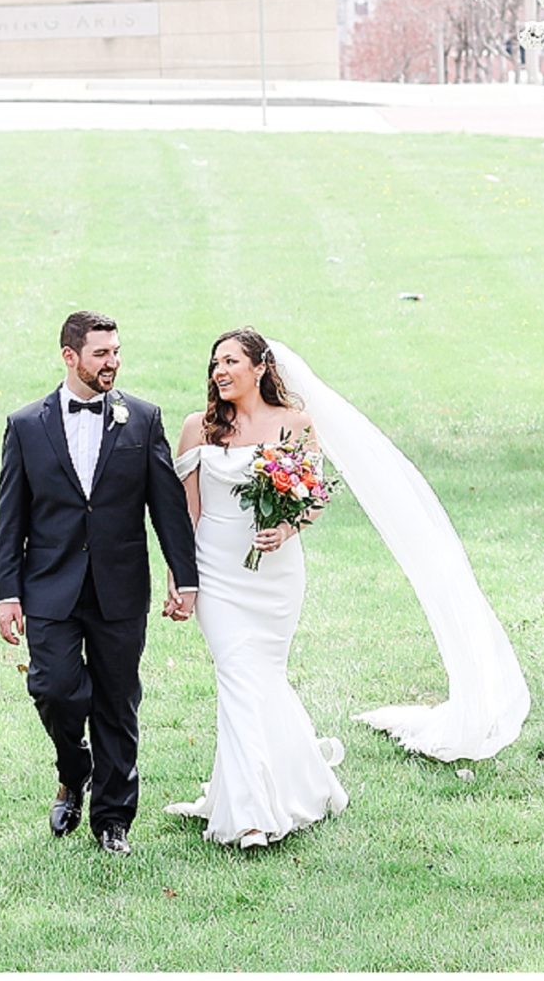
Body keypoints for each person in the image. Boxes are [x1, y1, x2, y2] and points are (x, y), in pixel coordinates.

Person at [0, 311, 199, 853]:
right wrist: (7, 592)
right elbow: (10, 517)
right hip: (49, 587)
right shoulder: (25, 426)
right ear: (70, 356)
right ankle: (72, 769)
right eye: (101, 354)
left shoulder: (143, 419)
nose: (112, 363)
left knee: (116, 702)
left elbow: (168, 508)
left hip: (120, 587)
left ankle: (113, 820)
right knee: (55, 688)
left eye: (116, 353)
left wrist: (186, 575)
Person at [166, 328, 351, 847]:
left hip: (275, 576)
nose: (219, 371)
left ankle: (296, 784)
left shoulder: (295, 425)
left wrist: (288, 526)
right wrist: (180, 578)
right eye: (214, 363)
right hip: (217, 572)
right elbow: (188, 509)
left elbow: (314, 495)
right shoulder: (198, 428)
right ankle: (248, 815)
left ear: (260, 368)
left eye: (230, 361)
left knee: (261, 677)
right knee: (238, 674)